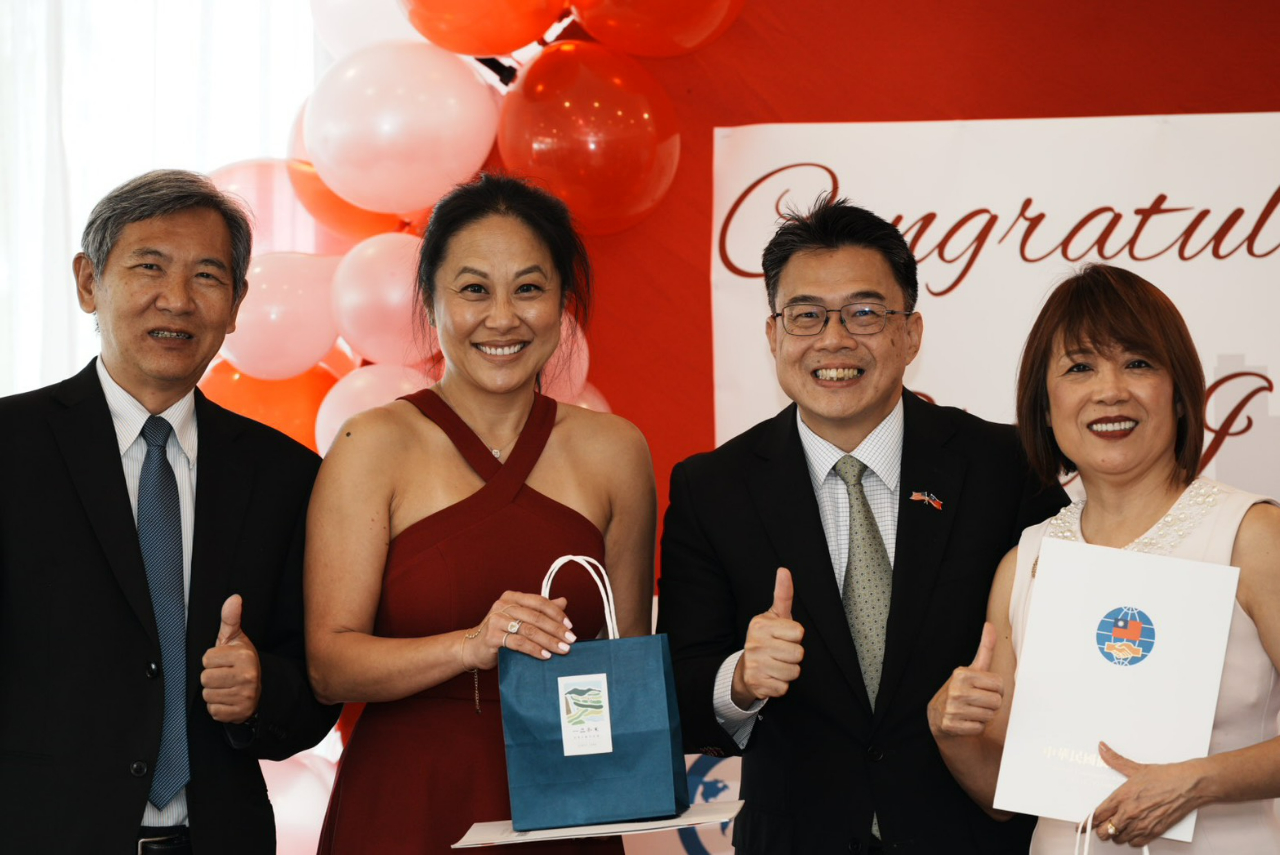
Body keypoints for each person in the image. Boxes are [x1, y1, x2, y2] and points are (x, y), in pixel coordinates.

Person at [656, 195, 1068, 854]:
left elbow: (1063, 663)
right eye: (806, 315)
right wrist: (741, 678)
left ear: (911, 334)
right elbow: (678, 685)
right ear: (774, 336)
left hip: (973, 838)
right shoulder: (713, 488)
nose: (834, 339)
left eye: (865, 313)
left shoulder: (1006, 466)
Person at [307, 174, 657, 854]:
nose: (502, 318)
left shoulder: (617, 451)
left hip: (566, 810)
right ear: (431, 299)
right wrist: (471, 644)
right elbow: (329, 665)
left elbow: (624, 660)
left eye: (528, 288)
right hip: (410, 805)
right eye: (474, 289)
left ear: (563, 302)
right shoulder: (371, 443)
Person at [0, 170, 339, 853]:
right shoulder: (12, 447)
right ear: (88, 282)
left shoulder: (285, 474)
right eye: (149, 267)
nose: (178, 299)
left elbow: (315, 685)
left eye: (207, 276)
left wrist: (263, 690)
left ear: (237, 303)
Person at [928, 263, 1280, 852]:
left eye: (1138, 363)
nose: (1110, 390)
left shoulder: (1252, 534)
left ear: (1180, 392)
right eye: (1079, 367)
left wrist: (1199, 781)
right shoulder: (1026, 563)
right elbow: (1001, 797)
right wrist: (952, 733)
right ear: (1044, 406)